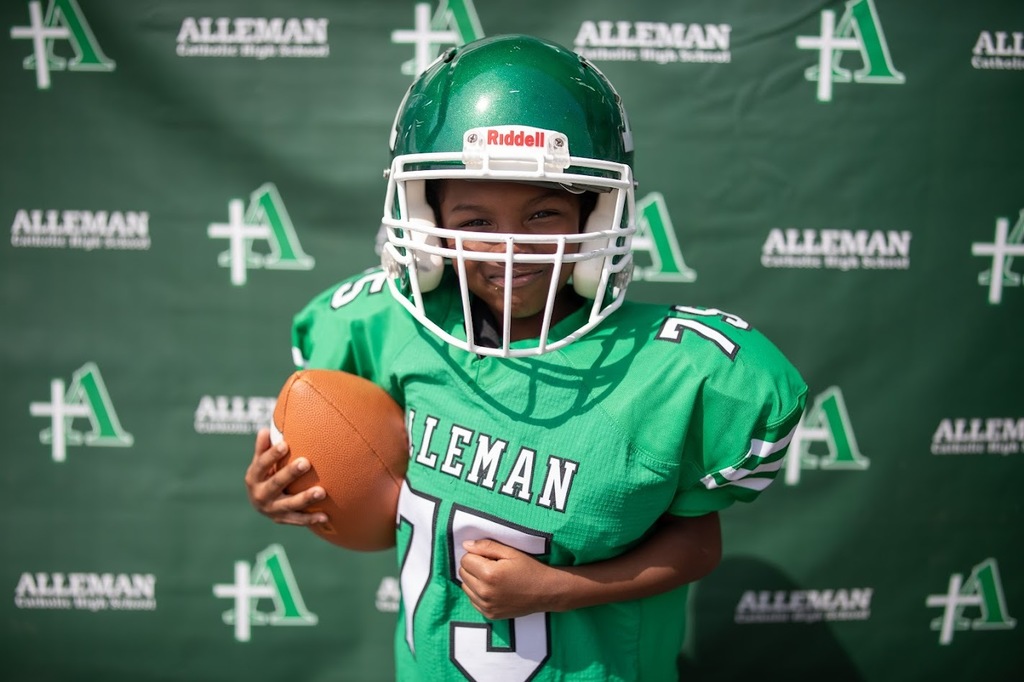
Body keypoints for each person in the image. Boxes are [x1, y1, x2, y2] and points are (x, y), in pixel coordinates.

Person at [245, 34, 807, 681]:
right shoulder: (387, 330)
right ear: (427, 227)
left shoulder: (669, 370)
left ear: (594, 219)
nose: (508, 245)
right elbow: (363, 477)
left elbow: (699, 544)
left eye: (542, 212)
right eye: (474, 219)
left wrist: (558, 589)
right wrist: (290, 492)